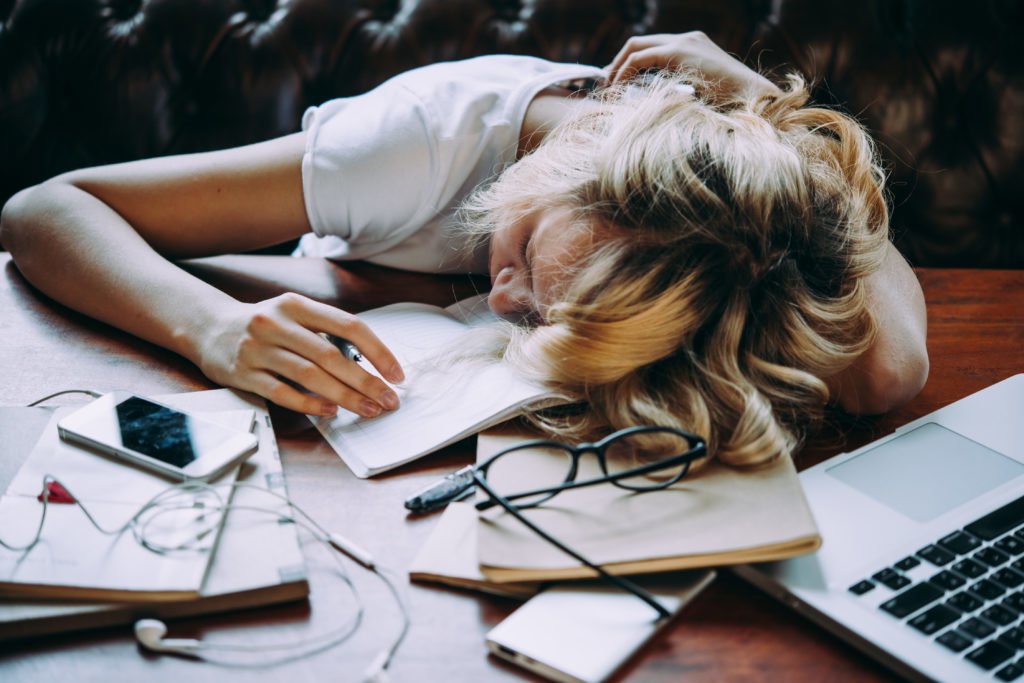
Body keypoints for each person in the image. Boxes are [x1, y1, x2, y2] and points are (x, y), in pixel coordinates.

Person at [0, 33, 928, 466]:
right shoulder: (414, 143)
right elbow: (44, 209)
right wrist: (210, 327)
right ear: (581, 148)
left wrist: (783, 128)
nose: (504, 298)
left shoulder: (721, 250)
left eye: (549, 312)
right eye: (520, 246)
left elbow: (888, 375)